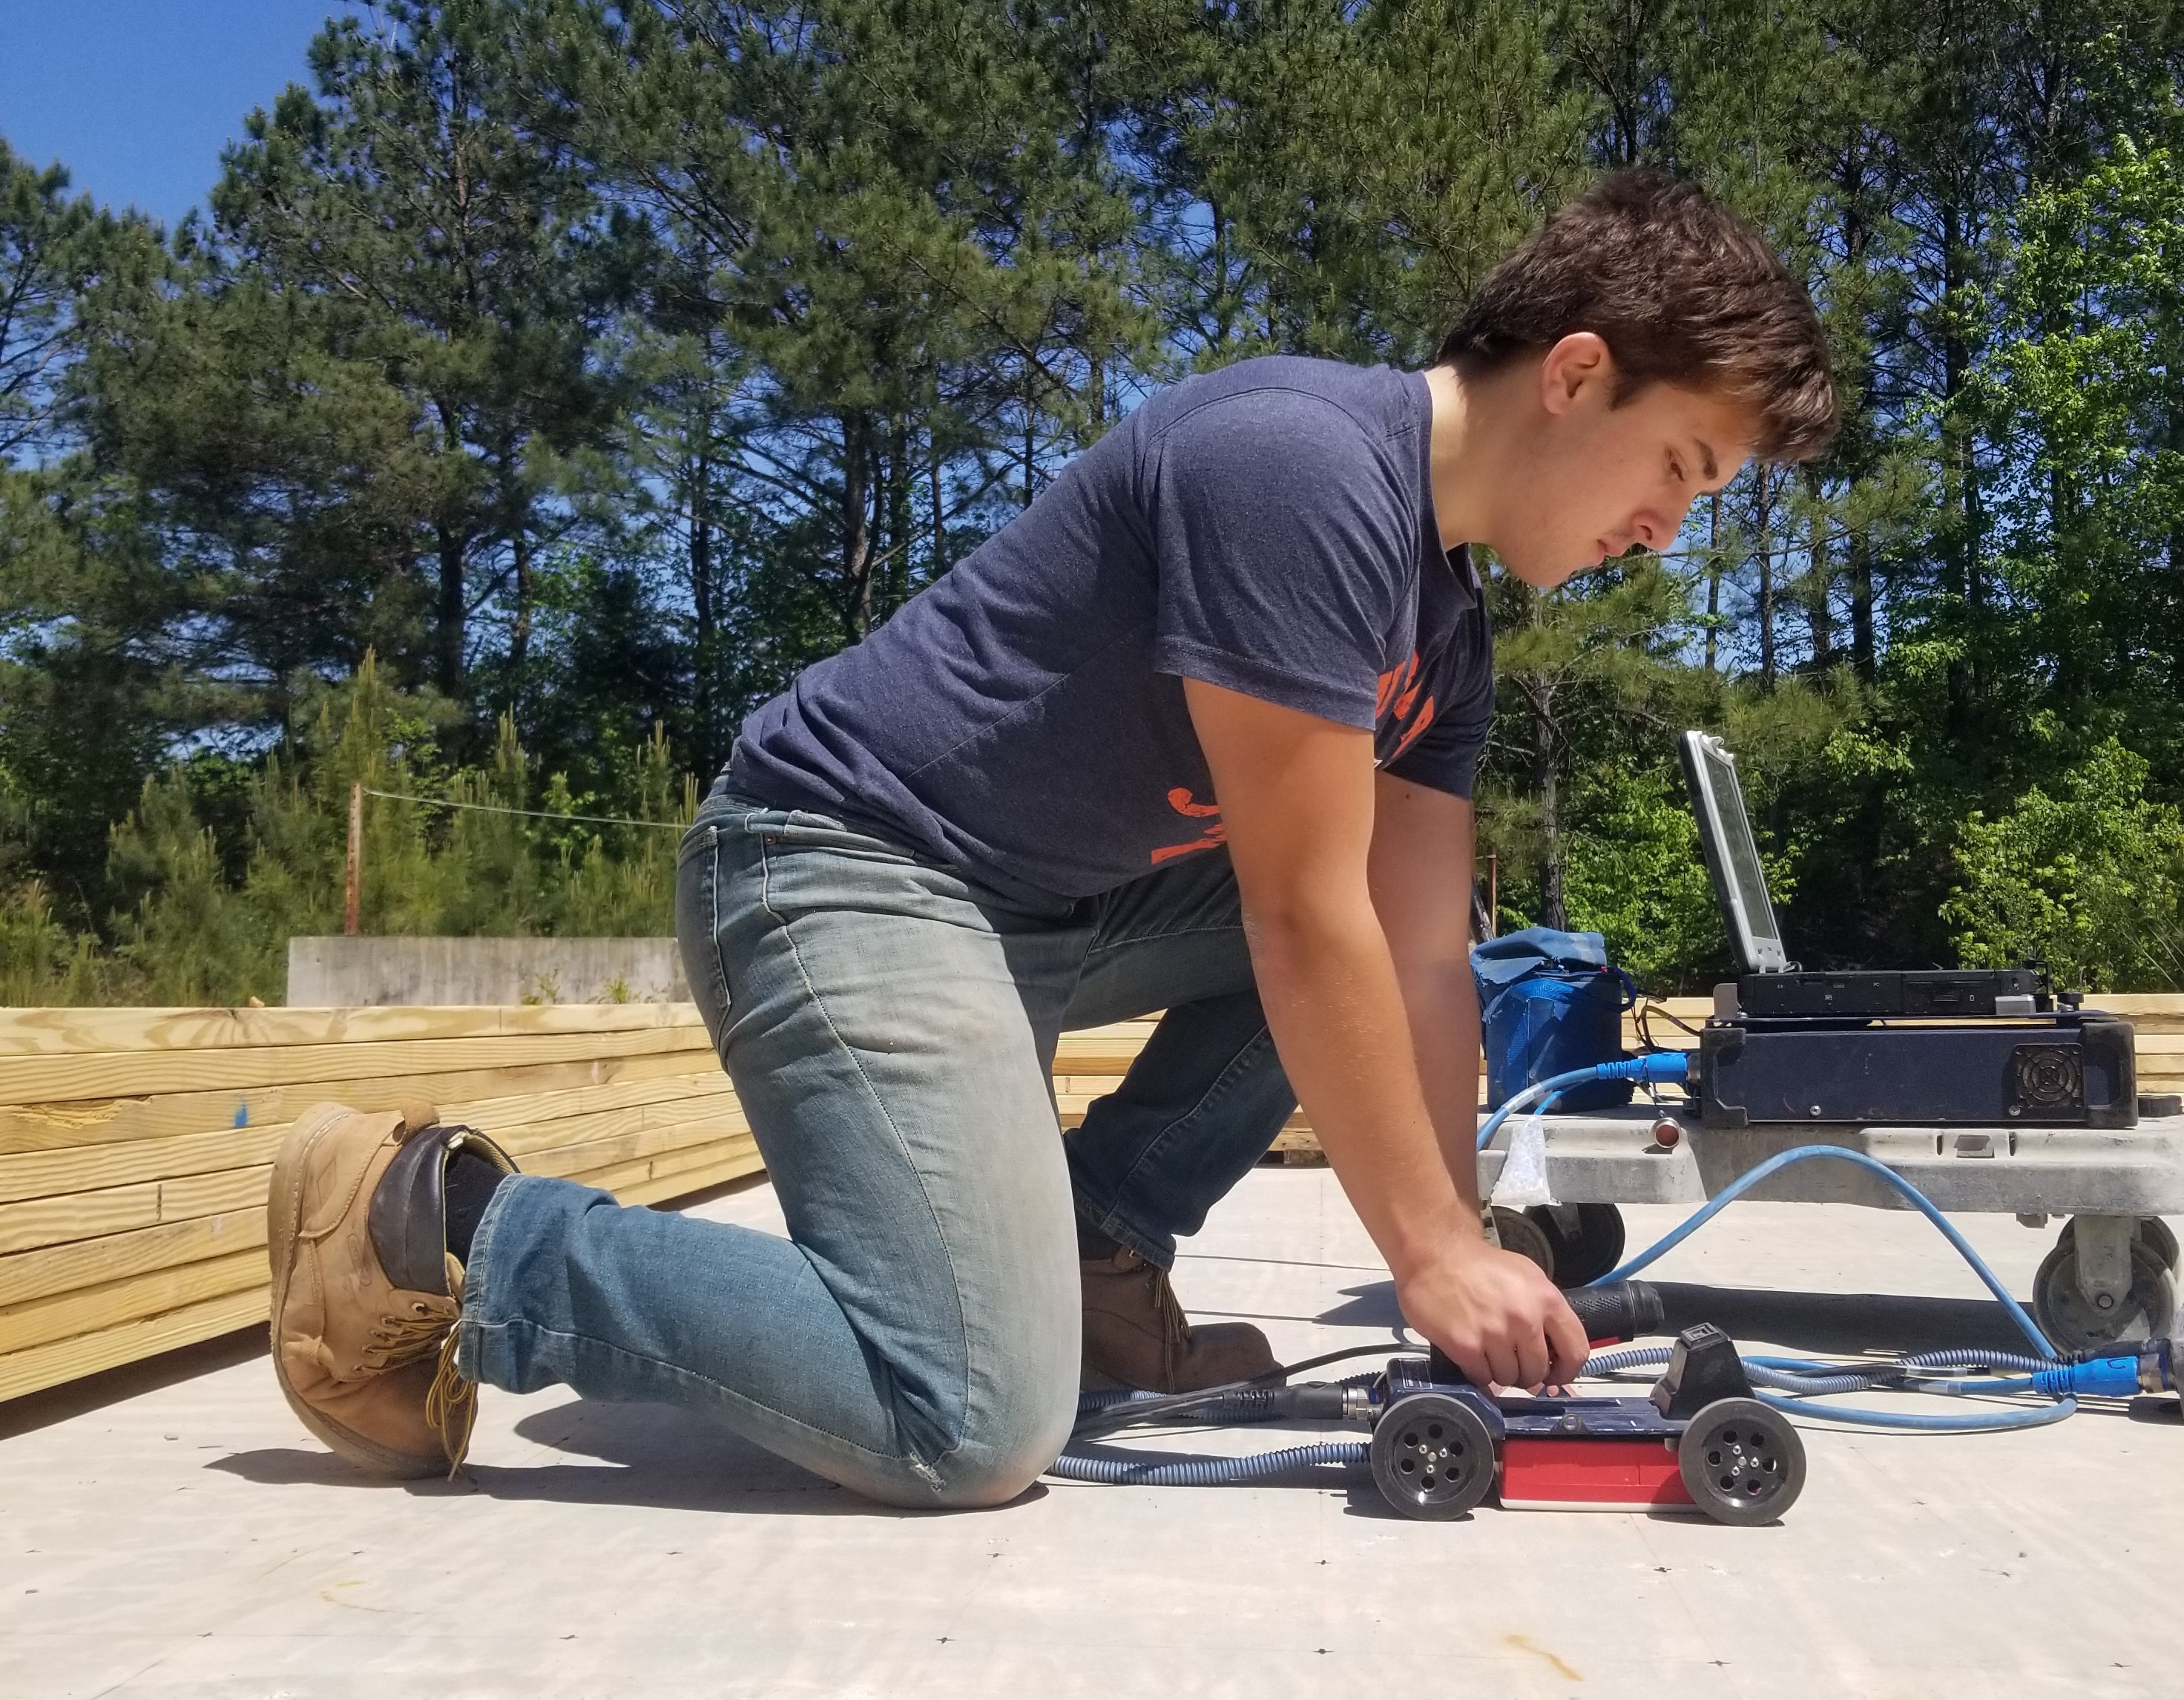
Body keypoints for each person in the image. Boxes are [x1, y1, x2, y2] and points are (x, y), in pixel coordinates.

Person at [265, 168, 1835, 1507]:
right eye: (1681, 467)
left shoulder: (1449, 636)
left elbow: (1419, 961)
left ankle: (1095, 1257)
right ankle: (449, 1235)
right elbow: (1302, 924)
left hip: (1041, 908)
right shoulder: (1300, 466)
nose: (1666, 528)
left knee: (1377, 920)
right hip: (841, 866)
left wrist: (1463, 1252)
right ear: (1575, 373)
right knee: (965, 1413)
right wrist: (1420, 1250)